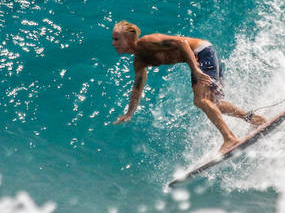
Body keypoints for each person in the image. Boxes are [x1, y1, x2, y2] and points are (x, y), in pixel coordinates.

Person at [111, 20, 265, 153]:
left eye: (117, 39)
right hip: (205, 54)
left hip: (202, 53)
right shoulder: (139, 61)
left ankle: (230, 138)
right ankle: (255, 119)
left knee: (201, 100)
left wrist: (196, 69)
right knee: (213, 103)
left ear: (129, 38)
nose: (114, 43)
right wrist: (129, 113)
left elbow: (181, 42)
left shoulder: (147, 42)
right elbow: (137, 89)